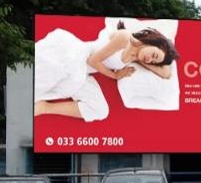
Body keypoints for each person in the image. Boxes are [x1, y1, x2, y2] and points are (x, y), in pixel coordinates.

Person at [34, 21, 179, 120]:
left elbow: (165, 73)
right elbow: (93, 60)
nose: (150, 60)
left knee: (100, 110)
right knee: (46, 76)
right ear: (152, 41)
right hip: (77, 57)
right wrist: (114, 75)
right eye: (153, 55)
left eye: (154, 61)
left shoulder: (138, 58)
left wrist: (161, 56)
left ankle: (45, 107)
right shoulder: (125, 37)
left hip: (84, 72)